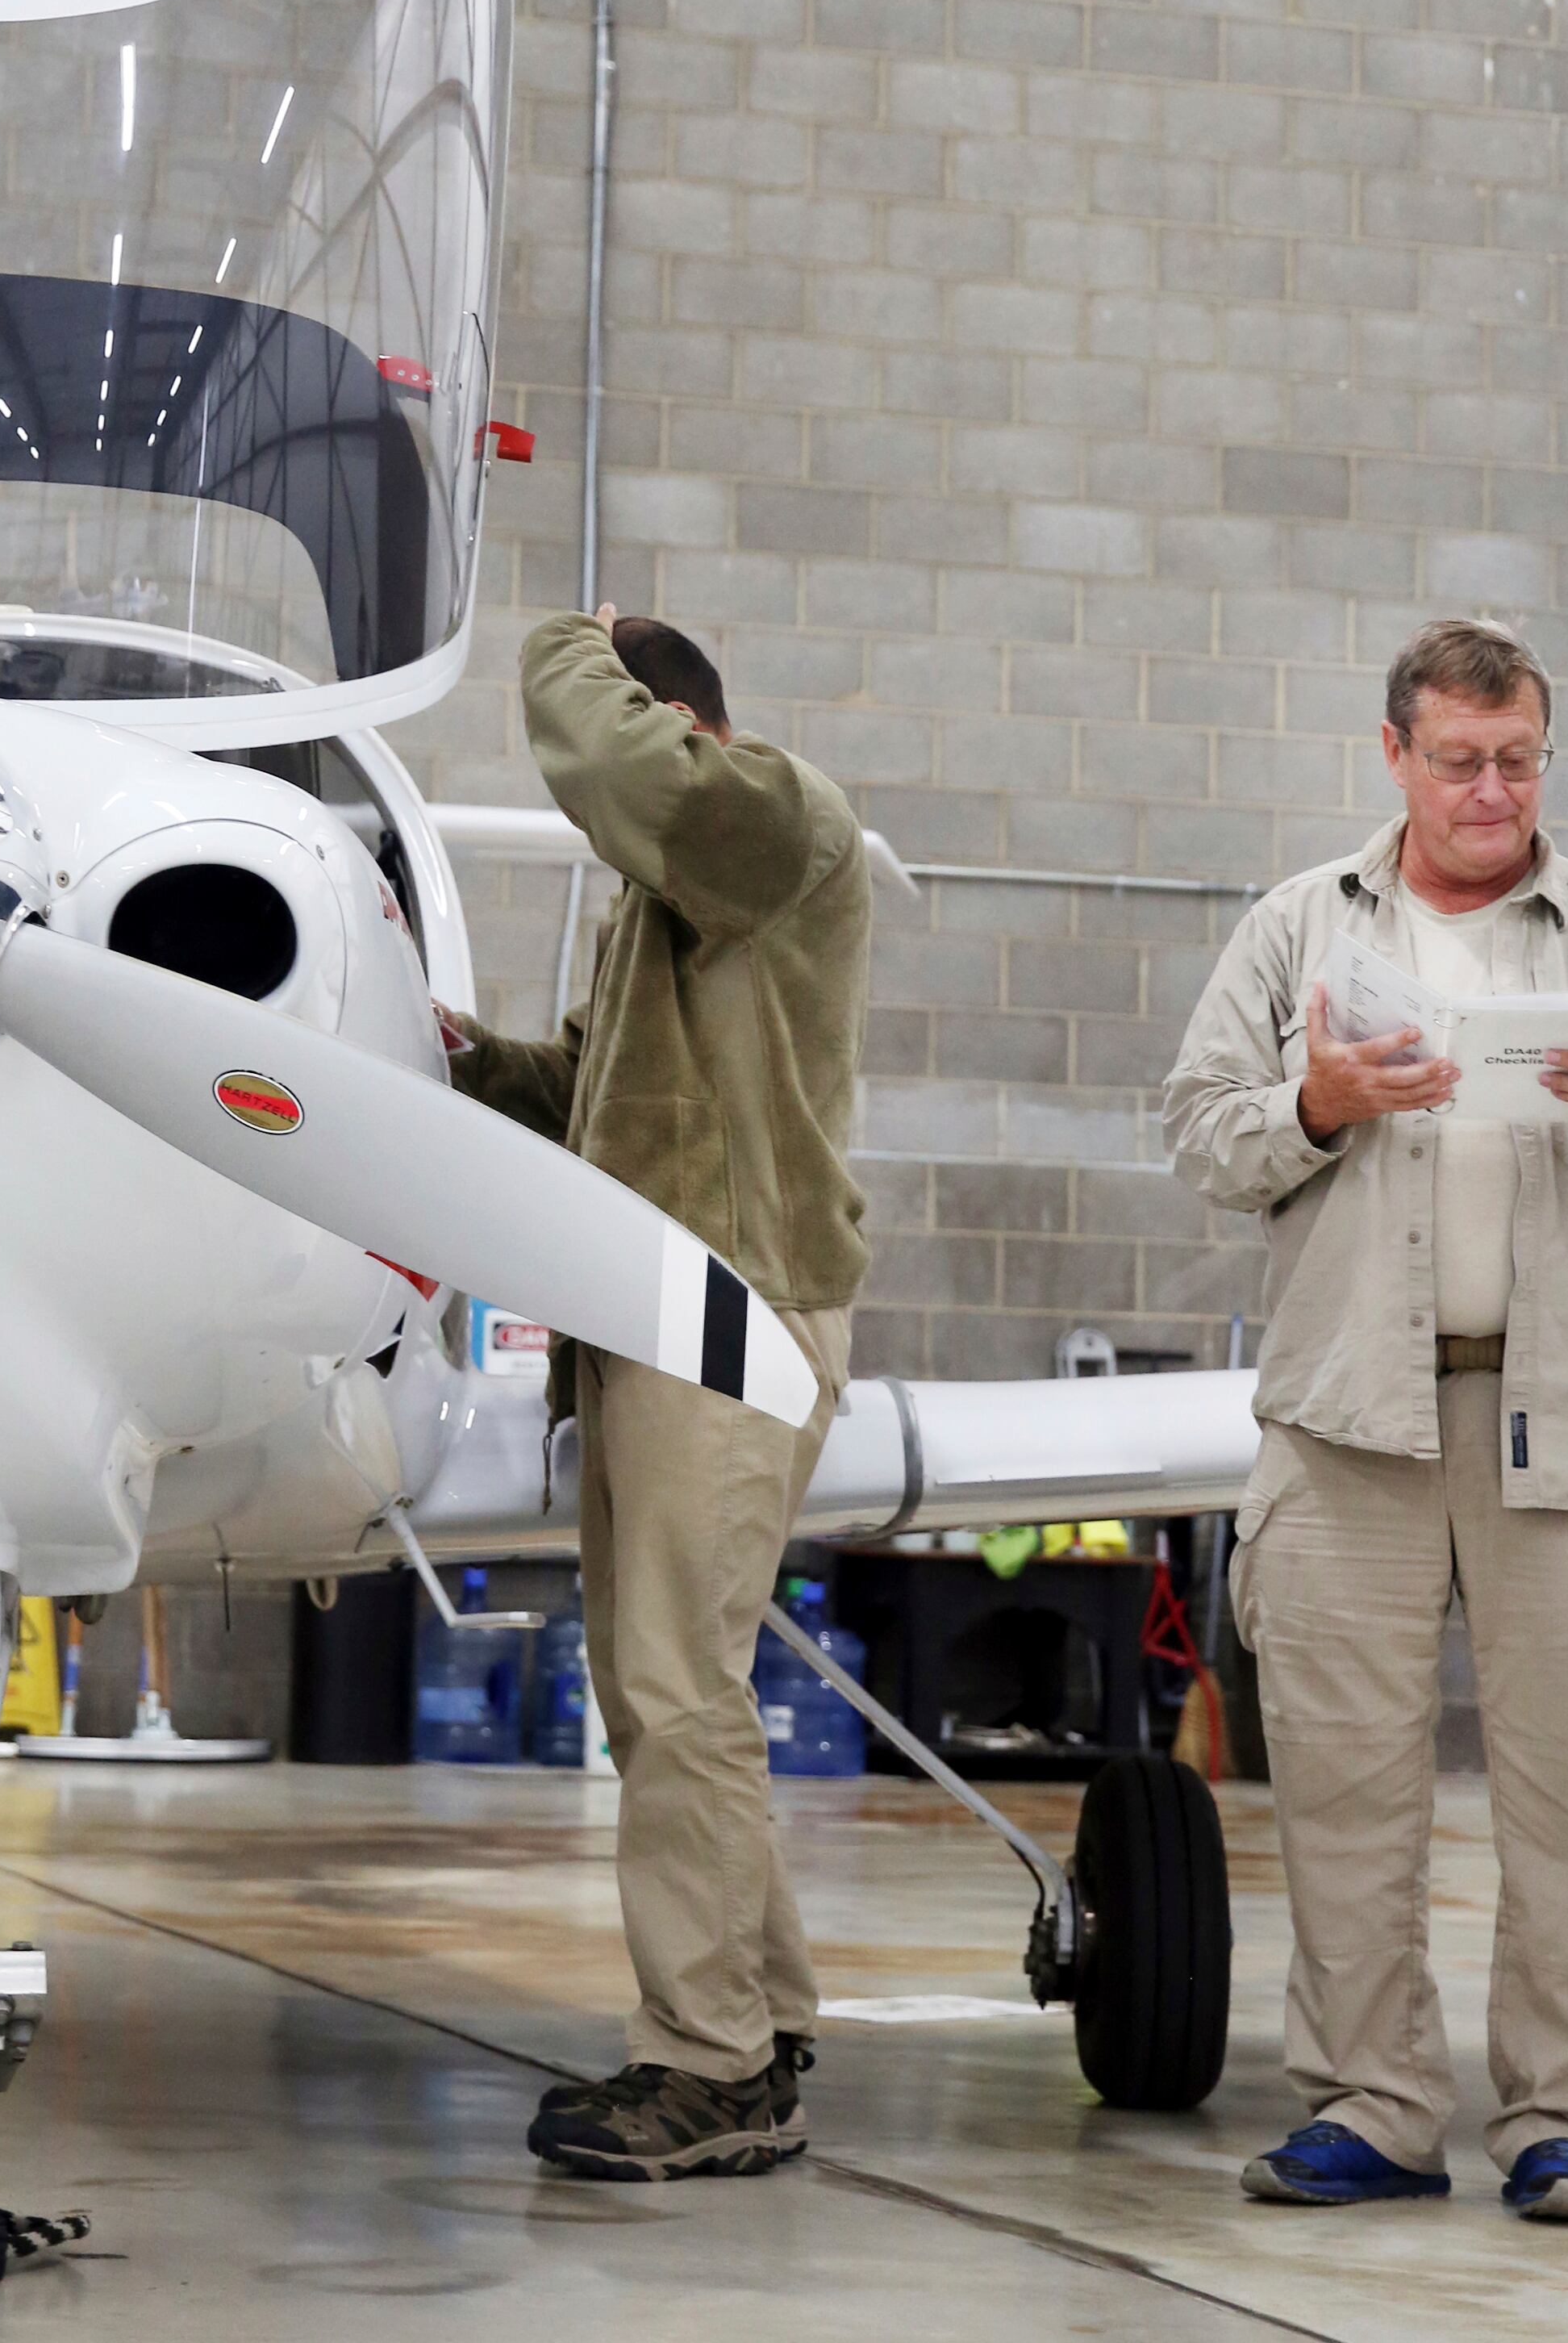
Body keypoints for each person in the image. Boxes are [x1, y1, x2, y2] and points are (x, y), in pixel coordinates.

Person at [1165, 616, 1568, 2228]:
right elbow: (1204, 1137)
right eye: (1461, 760)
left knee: (1567, 1806)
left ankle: (1560, 2124)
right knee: (1343, 1795)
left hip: (1565, 1432)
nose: (1493, 789)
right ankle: (1373, 2108)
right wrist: (1323, 1105)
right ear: (1395, 754)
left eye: (1520, 759)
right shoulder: (1294, 935)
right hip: (1350, 1429)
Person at [440, 604, 870, 2182]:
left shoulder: (767, 816)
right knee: (656, 1697)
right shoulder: (665, 905)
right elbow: (597, 1093)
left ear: (670, 726)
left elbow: (626, 771)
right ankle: (760, 2013)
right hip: (651, 1320)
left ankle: (713, 2067)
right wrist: (469, 1062)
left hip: (734, 1314)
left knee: (683, 1689)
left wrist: (569, 638)